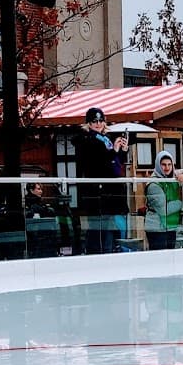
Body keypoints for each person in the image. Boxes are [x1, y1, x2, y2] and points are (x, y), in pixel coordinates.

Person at [71, 106, 129, 254]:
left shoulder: (105, 139)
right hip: (97, 192)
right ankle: (97, 253)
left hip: (110, 190)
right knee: (98, 226)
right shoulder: (87, 140)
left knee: (108, 225)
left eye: (100, 120)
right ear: (89, 123)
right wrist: (113, 152)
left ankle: (107, 251)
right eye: (94, 121)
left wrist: (122, 150)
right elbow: (99, 164)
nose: (98, 123)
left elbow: (115, 163)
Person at [143, 153, 183, 247]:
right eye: (163, 164)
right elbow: (163, 210)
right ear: (158, 165)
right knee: (159, 259)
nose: (167, 168)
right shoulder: (153, 184)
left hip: (170, 226)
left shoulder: (171, 177)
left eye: (169, 164)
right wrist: (180, 204)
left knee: (170, 259)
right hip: (156, 229)